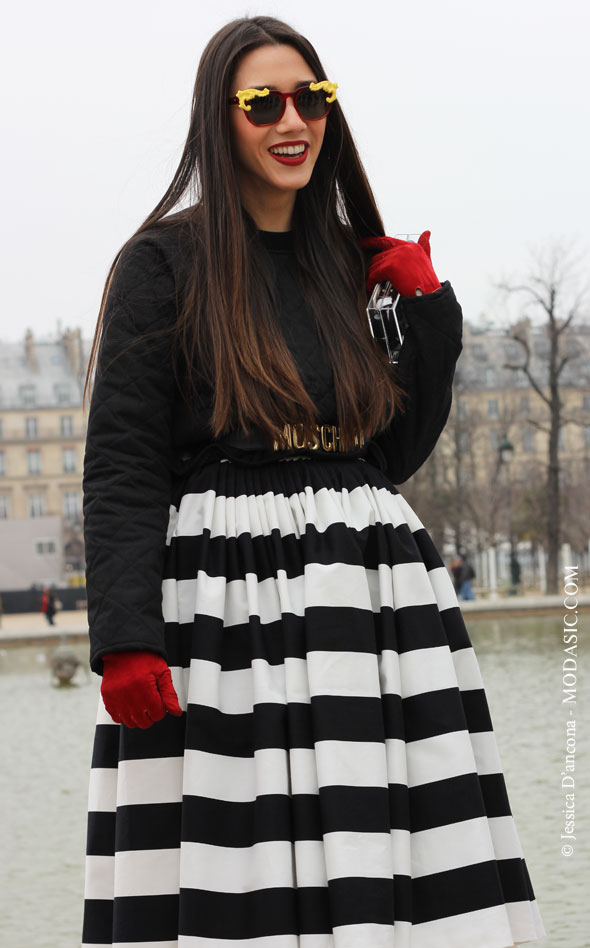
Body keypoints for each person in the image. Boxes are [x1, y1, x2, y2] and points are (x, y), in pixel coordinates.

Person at [81, 15, 546, 948]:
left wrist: (425, 310)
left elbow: (391, 450)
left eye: (313, 97)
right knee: (240, 846)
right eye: (263, 101)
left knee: (393, 840)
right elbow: (123, 458)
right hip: (228, 598)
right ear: (221, 119)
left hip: (371, 597)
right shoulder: (162, 264)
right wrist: (125, 638)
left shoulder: (346, 260)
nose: (292, 118)